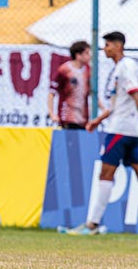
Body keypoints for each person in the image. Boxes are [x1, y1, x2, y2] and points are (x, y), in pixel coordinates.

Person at [69, 31, 138, 235]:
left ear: (118, 46)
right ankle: (93, 224)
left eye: (108, 45)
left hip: (120, 130)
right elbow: (118, 102)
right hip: (130, 130)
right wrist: (98, 120)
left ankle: (92, 225)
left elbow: (135, 93)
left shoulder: (125, 66)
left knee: (106, 173)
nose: (105, 49)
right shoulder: (121, 68)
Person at [48, 41, 92, 129]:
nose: (90, 56)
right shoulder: (64, 70)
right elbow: (51, 93)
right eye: (86, 53)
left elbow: (91, 92)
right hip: (68, 116)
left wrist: (103, 109)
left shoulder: (88, 70)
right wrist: (52, 114)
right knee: (70, 140)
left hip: (83, 117)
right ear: (78, 55)